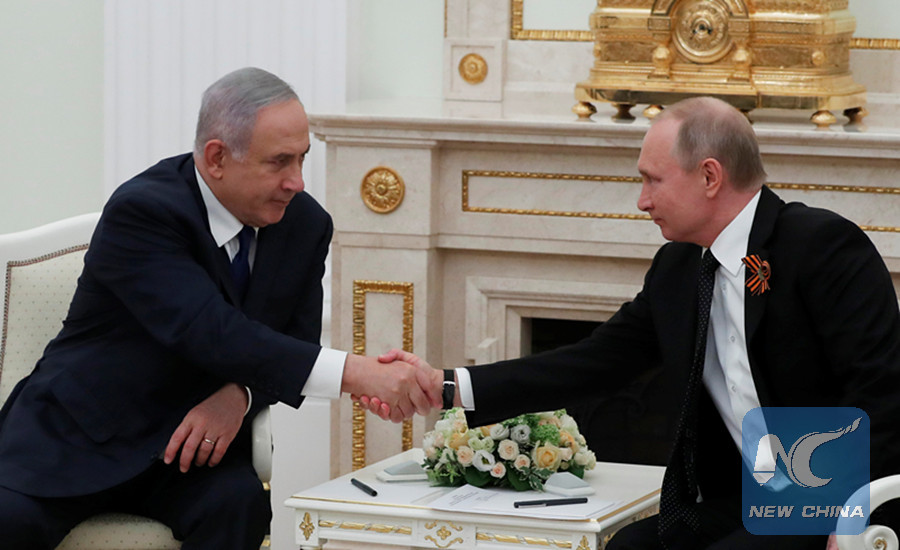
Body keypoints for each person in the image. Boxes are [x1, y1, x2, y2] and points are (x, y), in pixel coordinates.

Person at [369, 97, 900, 549]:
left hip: (830, 497)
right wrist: (446, 386)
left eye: (652, 180)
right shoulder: (679, 268)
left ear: (710, 176)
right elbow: (595, 361)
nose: (642, 201)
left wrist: (847, 514)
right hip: (741, 500)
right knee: (628, 546)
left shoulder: (821, 246)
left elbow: (882, 392)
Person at [0, 67, 440, 549]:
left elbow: (293, 340)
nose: (296, 181)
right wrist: (359, 373)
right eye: (279, 162)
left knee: (239, 504)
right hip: (78, 437)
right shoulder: (143, 211)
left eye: (302, 159)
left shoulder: (305, 224)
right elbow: (209, 329)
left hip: (189, 450)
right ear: (216, 158)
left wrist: (240, 396)